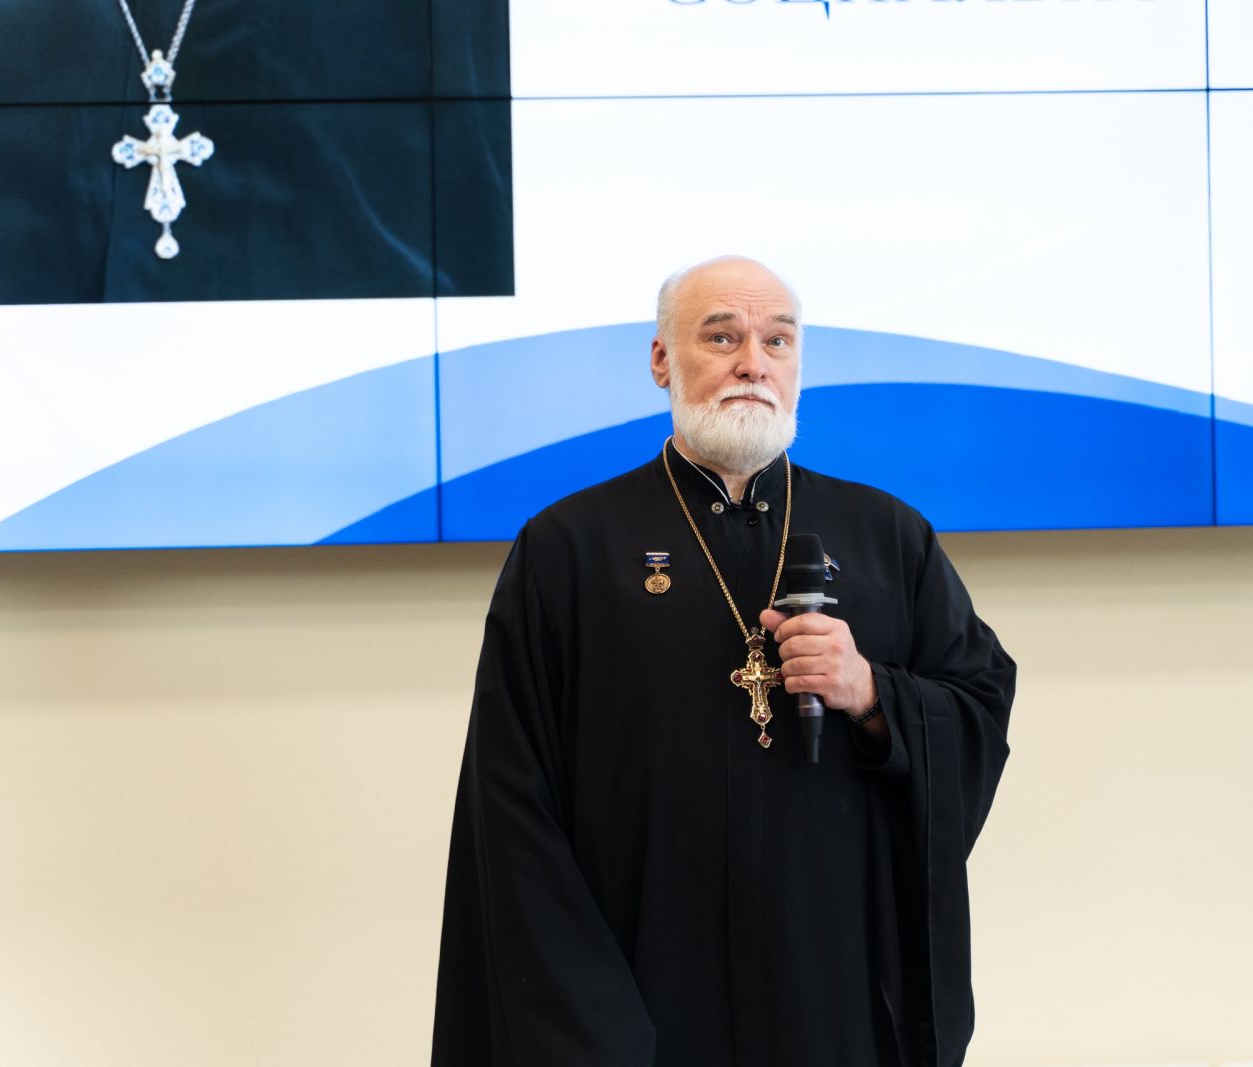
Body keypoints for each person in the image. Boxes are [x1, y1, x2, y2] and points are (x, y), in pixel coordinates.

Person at [432, 256, 1015, 1067]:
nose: (753, 363)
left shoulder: (889, 536)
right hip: (639, 1000)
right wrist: (587, 1026)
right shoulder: (567, 550)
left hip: (832, 991)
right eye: (722, 337)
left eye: (778, 340)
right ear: (661, 359)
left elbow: (978, 705)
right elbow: (511, 807)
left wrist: (873, 692)